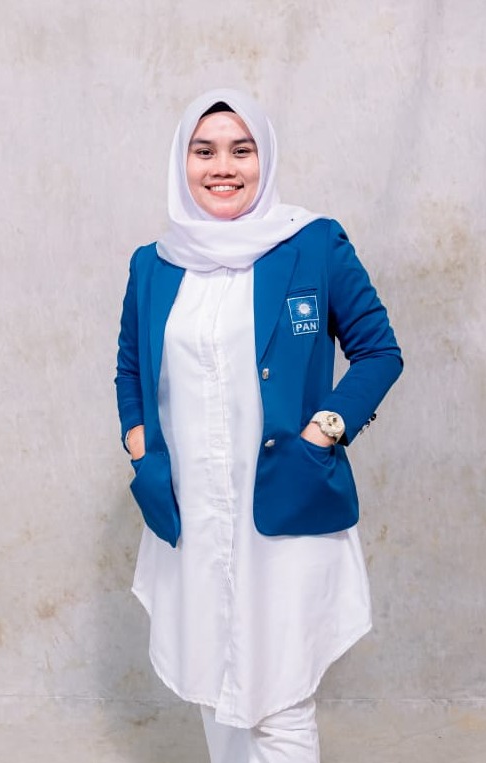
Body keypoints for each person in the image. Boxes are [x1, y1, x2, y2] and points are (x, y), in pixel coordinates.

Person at [115, 88, 403, 763]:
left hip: (283, 499)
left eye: (241, 151)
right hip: (192, 507)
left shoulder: (314, 244)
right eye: (204, 151)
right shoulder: (153, 263)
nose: (223, 167)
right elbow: (131, 365)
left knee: (279, 695)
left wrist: (325, 429)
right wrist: (138, 443)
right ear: (182, 162)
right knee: (213, 682)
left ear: (264, 159)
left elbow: (379, 350)